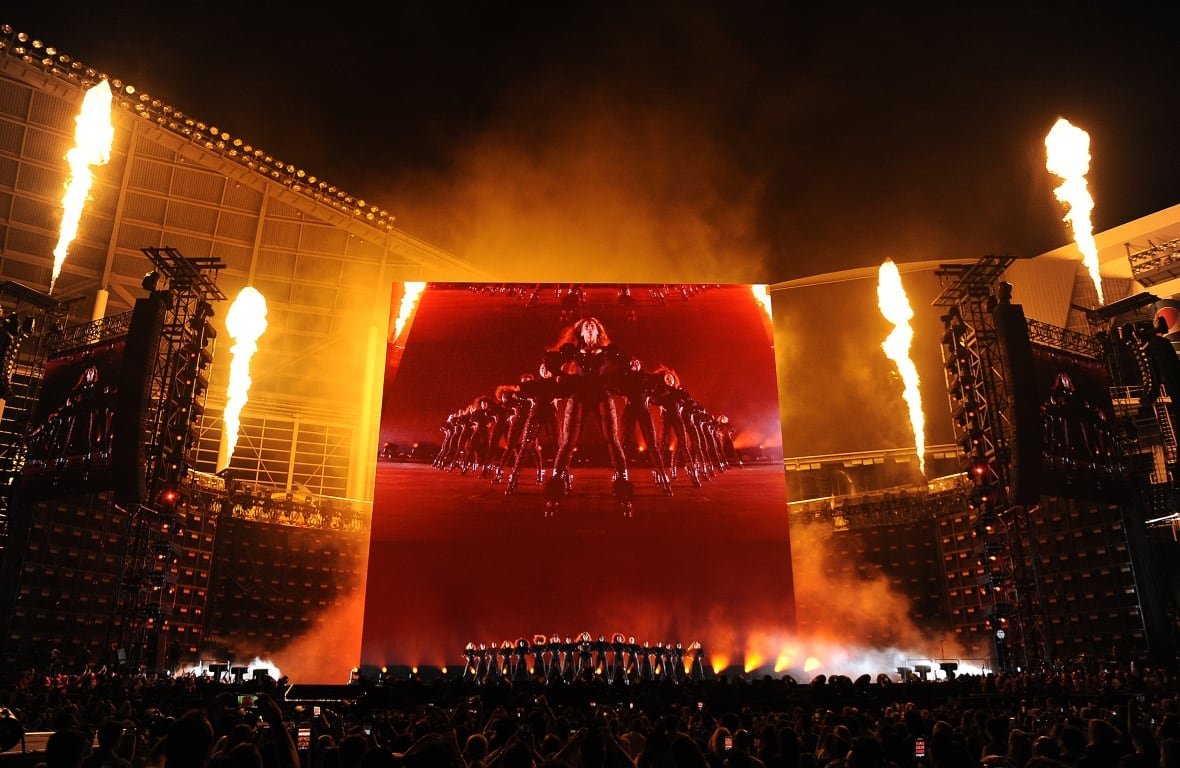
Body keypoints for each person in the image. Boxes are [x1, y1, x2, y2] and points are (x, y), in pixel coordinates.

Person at [541, 317, 631, 501]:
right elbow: (550, 362)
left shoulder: (607, 351)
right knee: (568, 442)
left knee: (612, 439)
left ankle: (623, 481)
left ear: (598, 331)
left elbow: (627, 365)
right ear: (581, 332)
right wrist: (564, 377)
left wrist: (612, 383)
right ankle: (557, 481)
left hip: (602, 394)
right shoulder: (573, 351)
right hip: (579, 394)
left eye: (592, 327)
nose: (589, 329)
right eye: (586, 327)